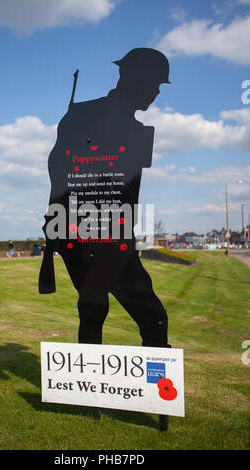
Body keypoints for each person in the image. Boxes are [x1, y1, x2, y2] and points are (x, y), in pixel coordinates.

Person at [39, 48, 171, 348]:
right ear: (135, 79)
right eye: (155, 84)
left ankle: (94, 390)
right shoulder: (83, 115)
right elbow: (58, 167)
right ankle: (152, 388)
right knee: (151, 317)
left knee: (93, 310)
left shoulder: (128, 128)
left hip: (91, 234)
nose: (156, 93)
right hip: (93, 236)